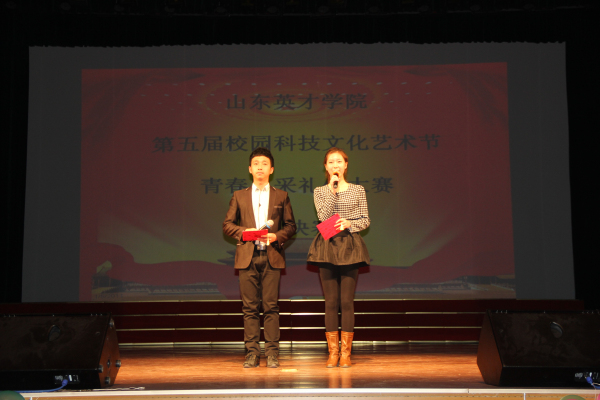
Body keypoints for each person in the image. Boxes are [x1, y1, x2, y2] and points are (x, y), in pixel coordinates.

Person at [223, 147, 296, 368]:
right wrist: (244, 232)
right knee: (250, 308)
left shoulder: (281, 196)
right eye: (256, 164)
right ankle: (252, 353)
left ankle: (272, 353)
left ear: (271, 169)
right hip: (247, 256)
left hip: (272, 255)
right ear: (250, 169)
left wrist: (277, 236)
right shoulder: (239, 195)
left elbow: (291, 226)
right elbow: (227, 225)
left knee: (271, 307)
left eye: (264, 164)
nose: (260, 167)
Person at [307, 147, 370, 368]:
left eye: (339, 161)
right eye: (331, 162)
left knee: (346, 301)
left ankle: (346, 353)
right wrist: (333, 191)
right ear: (326, 167)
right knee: (331, 301)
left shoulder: (358, 189)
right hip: (327, 245)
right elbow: (323, 216)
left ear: (346, 165)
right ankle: (333, 353)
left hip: (350, 244)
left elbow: (365, 220)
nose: (335, 165)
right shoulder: (320, 191)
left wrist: (349, 223)